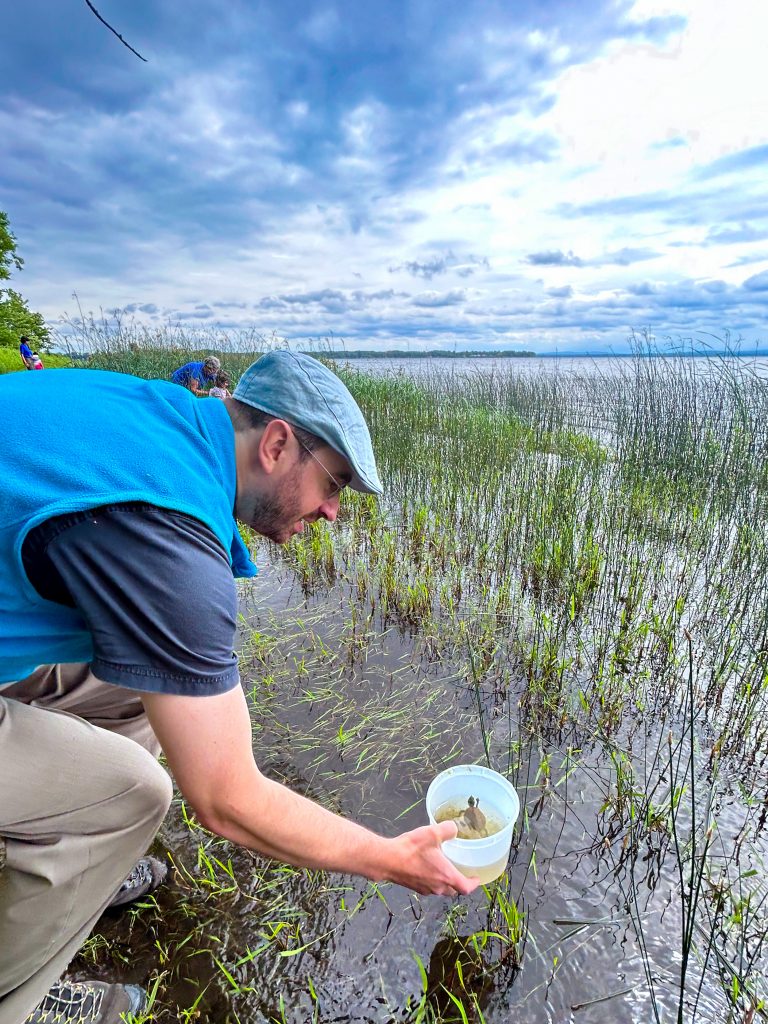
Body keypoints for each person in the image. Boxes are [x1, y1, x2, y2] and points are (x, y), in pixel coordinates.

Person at [0, 351, 478, 1024]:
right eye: (333, 483)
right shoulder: (164, 531)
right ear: (278, 443)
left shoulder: (159, 418)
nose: (335, 512)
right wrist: (388, 858)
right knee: (136, 796)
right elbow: (227, 800)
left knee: (145, 687)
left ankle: (72, 870)